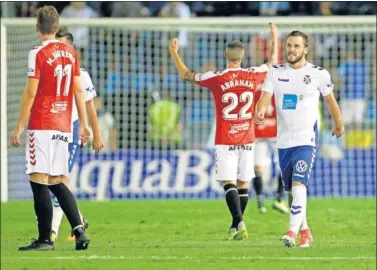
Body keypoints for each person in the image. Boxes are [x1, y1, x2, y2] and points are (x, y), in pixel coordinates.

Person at [169, 23, 278, 240]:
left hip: (225, 138)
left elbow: (186, 75)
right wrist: (273, 38)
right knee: (243, 183)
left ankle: (238, 222)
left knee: (228, 182)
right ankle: (237, 224)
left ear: (225, 55)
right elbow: (272, 62)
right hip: (247, 137)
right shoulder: (253, 74)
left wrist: (174, 53)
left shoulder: (217, 77)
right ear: (244, 55)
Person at [10, 6, 92, 251]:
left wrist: (19, 126)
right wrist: (84, 124)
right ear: (57, 28)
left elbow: (31, 92)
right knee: (57, 181)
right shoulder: (70, 51)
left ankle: (45, 238)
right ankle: (79, 231)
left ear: (37, 27)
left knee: (38, 180)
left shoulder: (37, 53)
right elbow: (78, 90)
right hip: (64, 124)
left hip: (43, 123)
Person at [256, 31, 344, 248]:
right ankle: (305, 232)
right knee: (290, 192)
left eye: (296, 46)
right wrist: (259, 111)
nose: (291, 50)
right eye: (289, 45)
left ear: (305, 49)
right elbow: (264, 98)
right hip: (283, 141)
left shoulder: (318, 74)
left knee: (299, 184)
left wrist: (338, 123)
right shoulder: (275, 72)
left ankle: (291, 233)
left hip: (306, 139)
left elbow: (330, 101)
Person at [50, 30, 104, 242]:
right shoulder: (51, 72)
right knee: (51, 181)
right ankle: (79, 219)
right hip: (52, 129)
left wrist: (96, 134)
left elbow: (90, 108)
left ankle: (52, 232)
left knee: (60, 180)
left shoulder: (81, 74)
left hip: (72, 131)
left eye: (62, 46)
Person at [253, 89, 289, 214]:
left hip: (276, 135)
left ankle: (278, 199)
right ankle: (260, 201)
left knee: (283, 166)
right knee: (258, 168)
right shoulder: (255, 93)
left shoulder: (281, 92)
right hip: (259, 136)